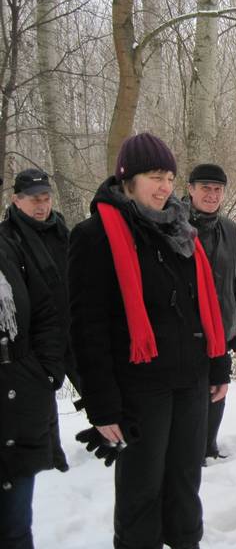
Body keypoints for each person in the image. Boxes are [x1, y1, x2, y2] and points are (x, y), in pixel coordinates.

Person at [68, 133, 231, 549]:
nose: (164, 188)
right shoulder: (95, 236)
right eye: (155, 177)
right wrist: (101, 404)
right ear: (128, 180)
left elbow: (202, 305)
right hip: (139, 387)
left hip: (190, 379)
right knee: (141, 489)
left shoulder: (181, 230)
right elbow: (86, 329)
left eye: (170, 178)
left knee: (185, 482)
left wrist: (217, 365)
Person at [0, 168, 78, 472]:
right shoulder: (8, 237)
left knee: (94, 385)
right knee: (44, 395)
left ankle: (109, 435)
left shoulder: (61, 230)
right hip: (36, 334)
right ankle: (52, 460)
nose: (41, 205)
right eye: (34, 199)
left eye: (45, 198)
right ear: (16, 200)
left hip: (71, 324)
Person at [186, 163, 236, 464]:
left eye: (217, 189)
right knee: (192, 393)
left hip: (222, 327)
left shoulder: (230, 230)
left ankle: (209, 448)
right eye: (205, 188)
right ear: (190, 189)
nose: (212, 195)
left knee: (218, 388)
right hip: (187, 329)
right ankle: (191, 453)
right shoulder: (175, 227)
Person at [0, 232, 63, 549]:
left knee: (16, 528)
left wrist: (46, 373)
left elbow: (44, 312)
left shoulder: (9, 249)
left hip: (18, 404)